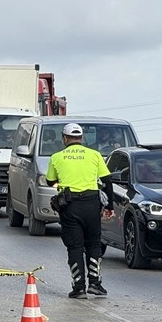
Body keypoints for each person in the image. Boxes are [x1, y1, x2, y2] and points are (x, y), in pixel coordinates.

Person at [45, 122, 113, 299]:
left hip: (70, 205)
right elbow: (107, 181)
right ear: (81, 138)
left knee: (74, 246)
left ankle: (79, 287)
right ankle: (96, 284)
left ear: (64, 138)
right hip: (92, 204)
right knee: (93, 244)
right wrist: (110, 206)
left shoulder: (57, 157)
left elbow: (49, 181)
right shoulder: (95, 155)